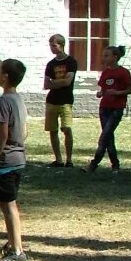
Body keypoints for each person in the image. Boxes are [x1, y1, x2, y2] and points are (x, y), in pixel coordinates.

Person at [0, 60, 29, 261]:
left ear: (5, 77)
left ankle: (17, 250)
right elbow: (25, 131)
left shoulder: (2, 102)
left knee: (8, 206)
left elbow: (1, 134)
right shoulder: (18, 99)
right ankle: (12, 242)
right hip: (19, 157)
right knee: (9, 204)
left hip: (6, 160)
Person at [83, 45, 131, 174]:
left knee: (105, 136)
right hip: (104, 107)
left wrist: (117, 93)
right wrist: (100, 93)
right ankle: (115, 165)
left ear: (115, 57)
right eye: (103, 55)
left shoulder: (123, 72)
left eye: (107, 55)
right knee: (108, 137)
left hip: (116, 108)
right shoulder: (105, 72)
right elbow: (103, 89)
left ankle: (94, 164)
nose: (104, 58)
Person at [43, 34, 77, 168]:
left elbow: (68, 81)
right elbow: (46, 84)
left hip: (66, 100)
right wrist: (59, 83)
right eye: (50, 45)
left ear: (61, 45)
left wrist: (54, 82)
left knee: (67, 129)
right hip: (52, 101)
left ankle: (69, 160)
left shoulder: (71, 62)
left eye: (54, 45)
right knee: (53, 130)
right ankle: (58, 159)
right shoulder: (51, 64)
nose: (52, 48)